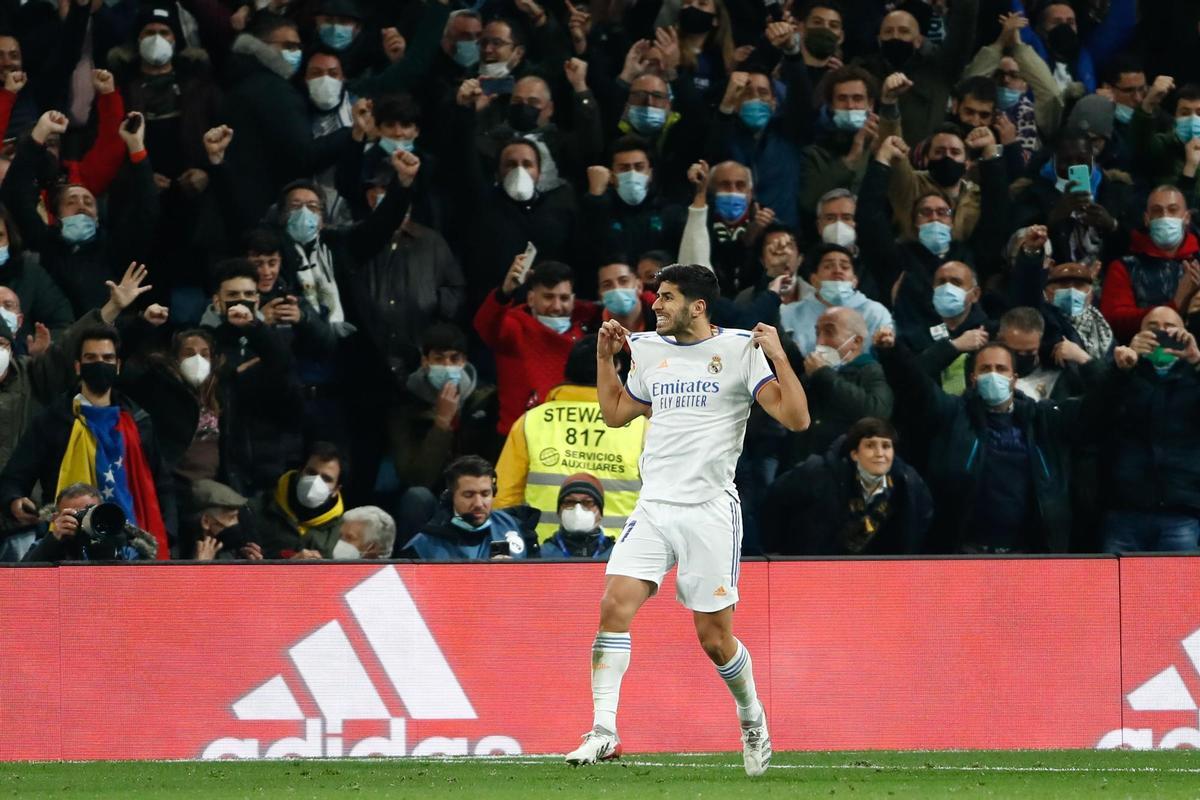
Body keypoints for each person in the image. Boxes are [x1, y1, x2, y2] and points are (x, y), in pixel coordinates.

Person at [565, 264, 811, 775]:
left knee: (715, 639)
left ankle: (751, 716)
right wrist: (604, 359)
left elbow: (796, 418)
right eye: (657, 297)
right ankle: (603, 729)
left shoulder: (742, 348)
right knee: (614, 605)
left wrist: (780, 355)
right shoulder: (649, 350)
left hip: (710, 511)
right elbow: (614, 414)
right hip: (654, 505)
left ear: (698, 306)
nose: (655, 306)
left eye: (667, 298)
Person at [875, 328, 1109, 554]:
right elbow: (915, 387)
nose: (993, 374)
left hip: (1029, 554)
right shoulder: (952, 414)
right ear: (973, 378)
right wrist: (892, 353)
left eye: (1001, 369)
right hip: (963, 551)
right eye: (986, 369)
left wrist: (1105, 368)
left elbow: (1098, 407)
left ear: (1014, 378)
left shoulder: (1044, 419)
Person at [0, 324, 172, 559]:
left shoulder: (139, 421)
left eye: (107, 358)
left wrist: (170, 533)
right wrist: (15, 502)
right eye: (91, 358)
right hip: (65, 545)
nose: (100, 364)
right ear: (78, 366)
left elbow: (161, 483)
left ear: (118, 366)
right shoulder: (53, 420)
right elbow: (13, 478)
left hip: (131, 547)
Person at [496, 336, 645, 541]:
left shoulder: (531, 422)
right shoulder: (641, 426)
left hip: (543, 558)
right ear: (617, 366)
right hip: (622, 558)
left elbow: (504, 499)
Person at [1101, 307, 1200, 553]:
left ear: (1184, 332)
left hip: (1181, 509)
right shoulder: (1124, 373)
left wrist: (1197, 362)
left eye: (1169, 327)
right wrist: (1120, 371)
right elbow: (1091, 419)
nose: (1161, 332)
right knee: (1119, 590)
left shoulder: (1194, 377)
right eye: (1152, 327)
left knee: (1177, 590)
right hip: (1125, 509)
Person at [763, 417, 931, 556]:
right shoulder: (816, 473)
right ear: (855, 454)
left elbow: (921, 521)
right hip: (817, 570)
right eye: (870, 445)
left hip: (880, 576)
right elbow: (774, 500)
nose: (880, 453)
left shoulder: (908, 483)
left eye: (886, 446)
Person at [474, 257, 597, 435]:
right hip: (519, 440)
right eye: (548, 297)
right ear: (531, 298)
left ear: (573, 300)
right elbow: (485, 325)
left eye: (564, 298)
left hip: (572, 445)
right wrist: (504, 293)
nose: (556, 306)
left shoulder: (586, 336)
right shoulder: (513, 328)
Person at [789, 306, 893, 466]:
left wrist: (823, 374)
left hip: (847, 465)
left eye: (829, 332)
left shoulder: (871, 370)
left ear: (856, 342)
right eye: (818, 333)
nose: (819, 341)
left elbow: (876, 412)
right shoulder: (811, 374)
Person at [1100, 185, 1200, 342]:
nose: (1165, 216)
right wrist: (1176, 304)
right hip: (1143, 357)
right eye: (1157, 211)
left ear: (1186, 218)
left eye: (1173, 210)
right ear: (1147, 219)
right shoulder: (1124, 267)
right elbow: (1112, 321)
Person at [399, 455, 539, 560]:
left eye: (485, 494)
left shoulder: (516, 527)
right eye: (468, 495)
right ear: (451, 496)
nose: (478, 503)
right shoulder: (424, 546)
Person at [780, 244, 892, 356]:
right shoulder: (789, 313)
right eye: (828, 266)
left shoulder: (876, 313)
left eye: (845, 267)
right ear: (814, 279)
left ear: (854, 280)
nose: (838, 271)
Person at [254, 441, 347, 560]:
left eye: (326, 479)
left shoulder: (339, 528)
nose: (315, 482)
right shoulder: (256, 509)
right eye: (311, 472)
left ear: (336, 490)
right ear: (300, 471)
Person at [22, 482, 158, 562]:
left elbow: (138, 585)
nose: (85, 519)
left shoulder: (123, 542)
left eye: (90, 511)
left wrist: (105, 545)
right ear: (59, 517)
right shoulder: (50, 544)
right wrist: (52, 541)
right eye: (77, 514)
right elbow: (21, 580)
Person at [541, 472, 616, 559]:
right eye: (569, 502)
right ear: (559, 511)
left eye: (587, 502)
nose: (577, 510)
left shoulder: (617, 554)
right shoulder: (542, 554)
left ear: (600, 511)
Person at [191, 478, 262, 561]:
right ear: (206, 521)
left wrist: (255, 568)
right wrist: (198, 569)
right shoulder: (181, 552)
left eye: (237, 517)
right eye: (231, 518)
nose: (236, 523)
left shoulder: (235, 551)